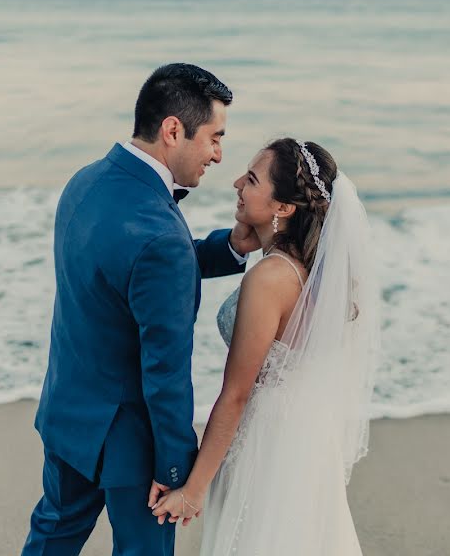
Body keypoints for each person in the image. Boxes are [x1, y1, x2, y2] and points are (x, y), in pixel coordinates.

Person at [22, 63, 260, 556]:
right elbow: (166, 373)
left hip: (68, 408)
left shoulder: (87, 181)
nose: (219, 154)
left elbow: (127, 270)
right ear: (174, 129)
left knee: (53, 536)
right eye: (215, 137)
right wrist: (176, 473)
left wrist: (230, 247)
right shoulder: (158, 238)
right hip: (130, 443)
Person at [151, 138, 380, 555]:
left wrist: (194, 489)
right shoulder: (313, 271)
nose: (237, 182)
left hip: (266, 439)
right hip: (307, 435)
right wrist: (246, 235)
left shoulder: (270, 279)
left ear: (284, 208)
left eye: (252, 179)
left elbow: (237, 395)